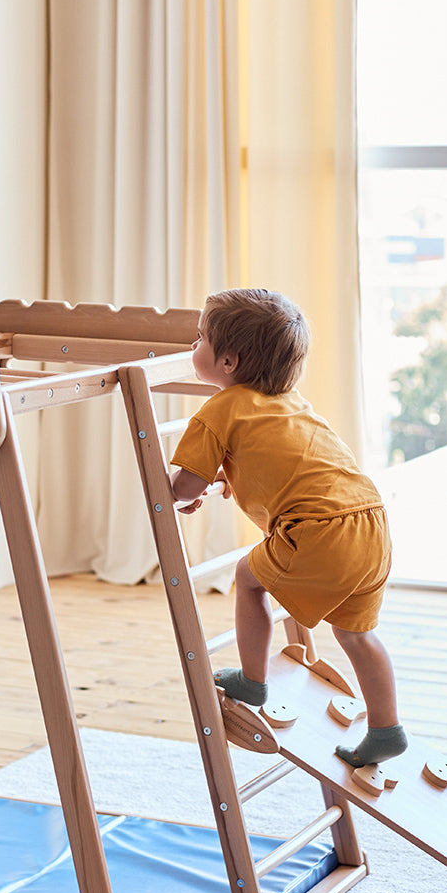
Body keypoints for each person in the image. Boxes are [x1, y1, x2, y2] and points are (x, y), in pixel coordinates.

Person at [169, 287, 407, 767]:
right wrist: (221, 479)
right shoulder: (290, 403)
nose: (193, 346)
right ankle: (387, 728)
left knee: (246, 580)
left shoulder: (220, 409)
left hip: (320, 529)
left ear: (228, 362)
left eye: (200, 339)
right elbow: (278, 464)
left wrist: (179, 486)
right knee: (356, 634)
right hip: (370, 523)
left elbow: (181, 488)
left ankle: (252, 681)